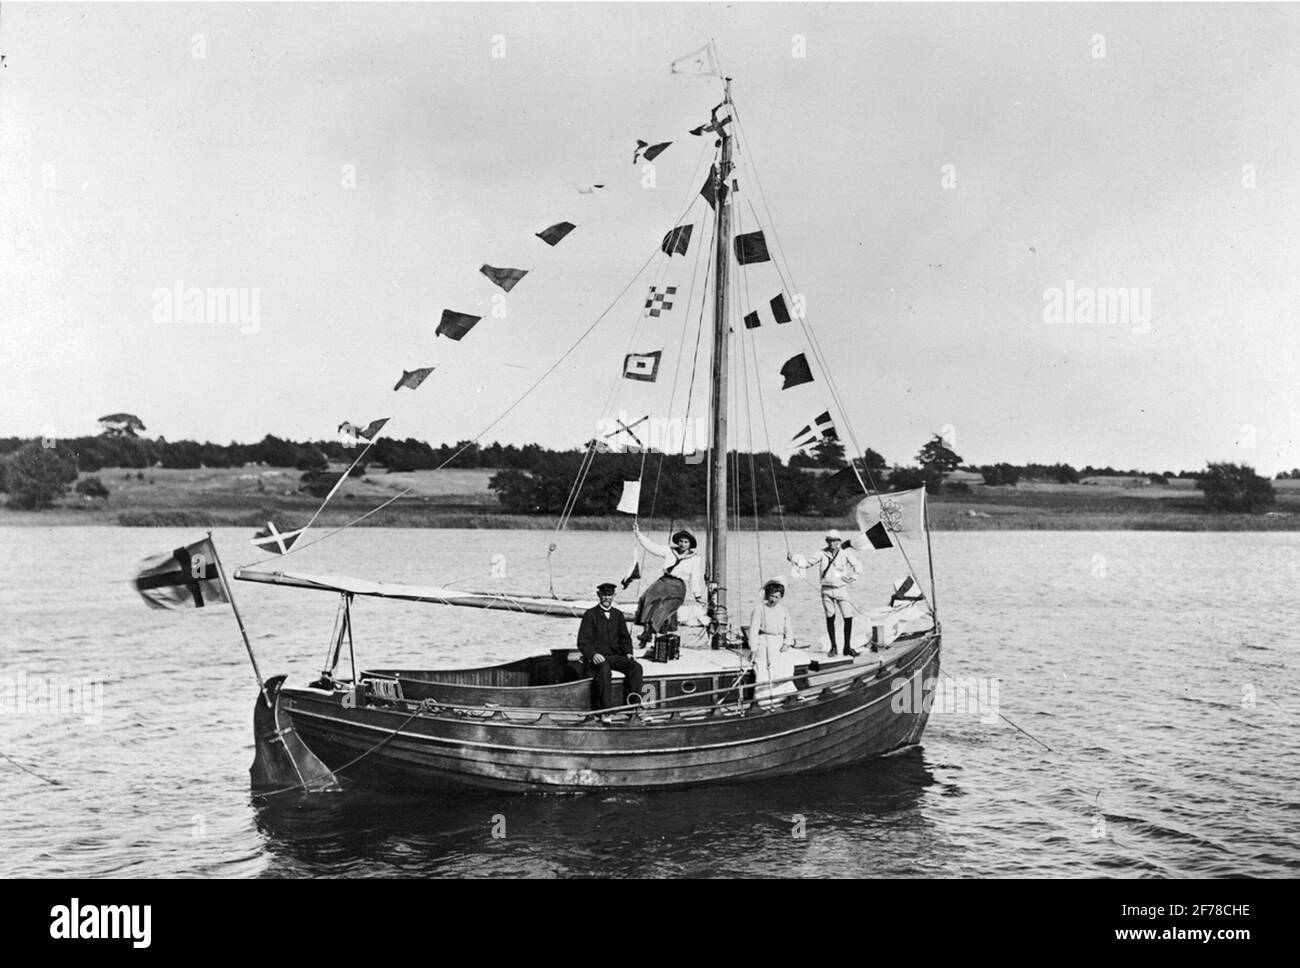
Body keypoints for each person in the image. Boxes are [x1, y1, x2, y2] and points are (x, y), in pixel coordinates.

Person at [789, 529, 862, 658]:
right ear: (827, 541)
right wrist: (793, 559)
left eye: (835, 540)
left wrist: (852, 578)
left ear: (839, 541)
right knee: (830, 617)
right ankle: (833, 647)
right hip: (826, 590)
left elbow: (858, 566)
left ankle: (847, 647)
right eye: (830, 540)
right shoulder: (821, 554)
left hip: (841, 589)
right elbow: (807, 564)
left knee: (848, 617)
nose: (833, 543)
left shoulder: (845, 554)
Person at [631, 524, 708, 640]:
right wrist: (638, 533)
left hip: (678, 586)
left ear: (690, 544)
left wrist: (697, 595)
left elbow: (695, 577)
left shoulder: (695, 558)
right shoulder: (669, 551)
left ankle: (652, 630)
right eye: (681, 541)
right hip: (663, 582)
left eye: (686, 542)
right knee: (647, 598)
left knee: (665, 605)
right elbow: (651, 547)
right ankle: (646, 630)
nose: (682, 544)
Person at [577, 582, 643, 711]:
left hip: (615, 656)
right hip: (598, 658)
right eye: (604, 595)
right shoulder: (590, 615)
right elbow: (583, 641)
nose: (607, 598)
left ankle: (634, 707)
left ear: (614, 596)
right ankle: (605, 710)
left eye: (609, 595)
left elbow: (625, 638)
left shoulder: (618, 615)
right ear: (598, 595)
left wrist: (628, 652)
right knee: (605, 669)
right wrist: (593, 654)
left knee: (635, 667)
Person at [747, 579, 798, 705]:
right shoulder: (759, 609)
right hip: (764, 641)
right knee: (764, 668)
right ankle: (763, 699)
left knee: (784, 666)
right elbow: (753, 631)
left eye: (777, 597)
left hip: (779, 641)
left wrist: (787, 643)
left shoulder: (784, 610)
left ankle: (782, 696)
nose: (774, 599)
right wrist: (753, 648)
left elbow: (789, 629)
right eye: (772, 596)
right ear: (767, 595)